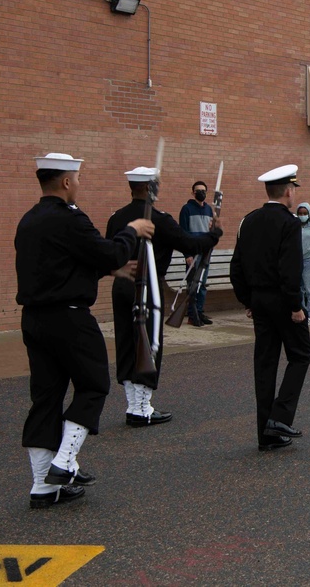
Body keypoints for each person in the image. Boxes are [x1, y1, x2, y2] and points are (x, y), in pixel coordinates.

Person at [16, 152, 155, 508]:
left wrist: (108, 271)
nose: (78, 185)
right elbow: (107, 252)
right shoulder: (70, 219)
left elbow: (60, 268)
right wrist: (132, 231)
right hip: (70, 319)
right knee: (93, 385)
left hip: (34, 319)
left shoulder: (28, 221)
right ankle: (64, 463)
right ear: (65, 182)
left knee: (45, 398)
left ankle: (42, 487)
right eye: (76, 179)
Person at [106, 167, 222, 427]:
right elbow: (190, 244)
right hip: (148, 288)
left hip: (122, 286)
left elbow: (108, 254)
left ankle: (133, 406)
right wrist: (214, 234)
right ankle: (142, 408)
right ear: (149, 188)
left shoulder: (116, 218)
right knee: (148, 345)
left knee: (127, 344)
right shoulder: (158, 219)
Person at [230, 164, 310, 452]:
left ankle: (266, 434)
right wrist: (296, 306)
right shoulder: (289, 223)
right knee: (301, 356)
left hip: (259, 301)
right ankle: (279, 417)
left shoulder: (248, 221)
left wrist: (247, 301)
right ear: (289, 191)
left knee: (264, 365)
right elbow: (290, 270)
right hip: (282, 299)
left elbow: (236, 266)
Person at [179, 180, 215, 326]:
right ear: (193, 192)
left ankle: (199, 311)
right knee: (192, 284)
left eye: (203, 190)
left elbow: (210, 232)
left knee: (202, 283)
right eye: (198, 190)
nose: (201, 193)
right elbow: (182, 233)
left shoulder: (208, 210)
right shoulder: (186, 209)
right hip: (193, 254)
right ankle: (192, 315)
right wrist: (187, 254)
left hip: (205, 252)